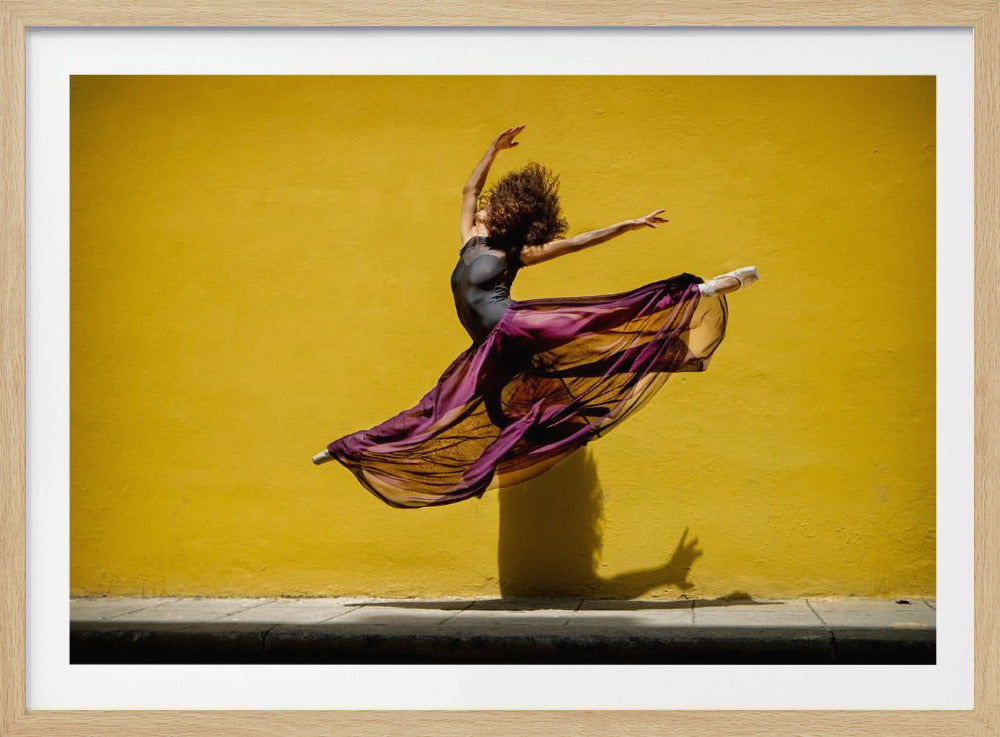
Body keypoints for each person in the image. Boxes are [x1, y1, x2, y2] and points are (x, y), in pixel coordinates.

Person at [313, 125, 758, 508]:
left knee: (594, 321)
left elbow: (577, 243)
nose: (483, 204)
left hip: (515, 325)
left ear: (509, 214)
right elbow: (469, 190)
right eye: (484, 203)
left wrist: (627, 225)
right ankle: (351, 447)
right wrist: (493, 149)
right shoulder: (468, 238)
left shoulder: (514, 253)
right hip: (490, 350)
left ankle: (698, 291)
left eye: (491, 204)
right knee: (438, 407)